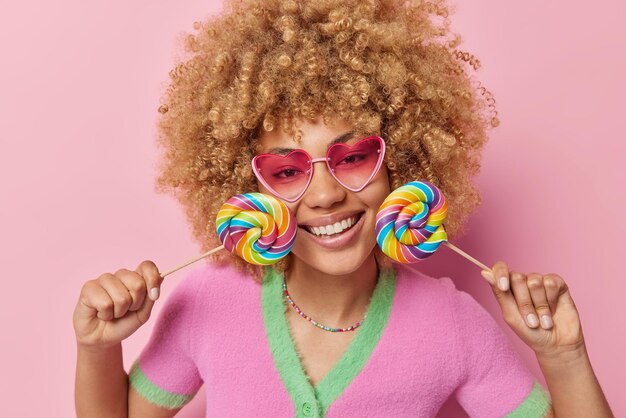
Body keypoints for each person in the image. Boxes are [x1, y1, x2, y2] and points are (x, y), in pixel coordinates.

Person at [73, 0, 613, 416]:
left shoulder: (453, 327)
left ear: (402, 158)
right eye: (287, 171)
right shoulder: (206, 301)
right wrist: (97, 349)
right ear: (247, 187)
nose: (326, 195)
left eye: (353, 157)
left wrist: (564, 357)